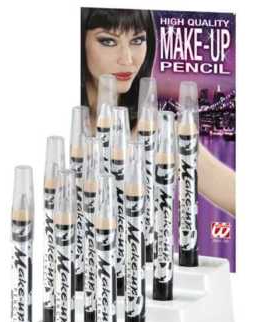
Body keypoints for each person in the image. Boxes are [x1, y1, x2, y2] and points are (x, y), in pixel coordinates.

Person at [81, 8, 235, 215]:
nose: (127, 59)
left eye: (137, 40)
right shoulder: (66, 126)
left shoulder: (162, 132)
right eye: (108, 41)